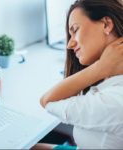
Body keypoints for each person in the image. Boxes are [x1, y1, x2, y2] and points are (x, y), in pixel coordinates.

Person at [32, 0, 123, 149]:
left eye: (75, 30)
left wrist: (100, 67)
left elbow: (47, 101)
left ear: (106, 24)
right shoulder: (112, 80)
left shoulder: (113, 101)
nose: (69, 44)